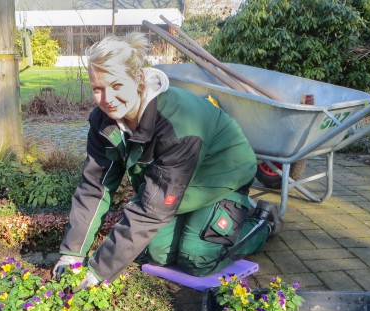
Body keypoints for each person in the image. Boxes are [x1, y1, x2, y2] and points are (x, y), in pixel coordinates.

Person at [52, 32, 281, 290]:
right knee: (160, 256)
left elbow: (152, 210)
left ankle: (260, 221)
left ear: (138, 79)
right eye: (97, 89)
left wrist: (97, 271)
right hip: (174, 185)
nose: (107, 99)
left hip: (219, 177)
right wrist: (72, 253)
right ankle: (204, 220)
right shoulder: (102, 121)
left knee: (195, 259)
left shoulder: (177, 125)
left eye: (116, 86)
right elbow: (96, 186)